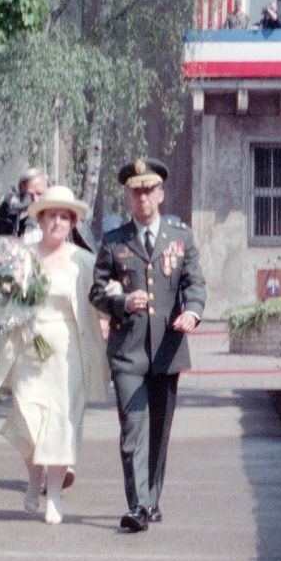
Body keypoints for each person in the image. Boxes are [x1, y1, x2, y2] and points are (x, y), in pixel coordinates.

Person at [91, 158, 205, 533]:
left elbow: (194, 284)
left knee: (159, 430)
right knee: (133, 428)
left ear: (161, 193)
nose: (142, 198)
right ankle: (138, 505)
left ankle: (152, 498)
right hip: (128, 352)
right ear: (128, 197)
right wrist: (123, 301)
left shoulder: (180, 237)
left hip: (167, 351)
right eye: (135, 192)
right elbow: (97, 292)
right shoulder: (114, 241)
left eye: (148, 190)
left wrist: (194, 312)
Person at [0, 186, 109, 525]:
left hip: (68, 353)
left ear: (72, 222)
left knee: (61, 423)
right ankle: (33, 478)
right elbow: (3, 304)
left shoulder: (83, 261)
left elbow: (98, 302)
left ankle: (54, 494)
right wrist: (4, 293)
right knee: (28, 418)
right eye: (51, 215)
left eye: (64, 216)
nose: (57, 221)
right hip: (30, 347)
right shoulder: (23, 256)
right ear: (40, 219)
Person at [0, 168, 48, 239]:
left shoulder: (58, 219)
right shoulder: (15, 217)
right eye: (29, 195)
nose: (35, 199)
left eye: (39, 194)